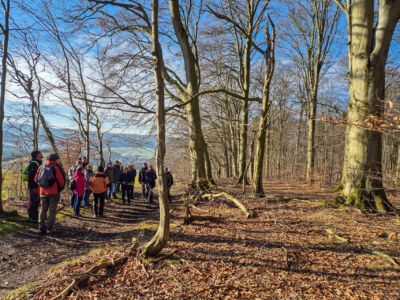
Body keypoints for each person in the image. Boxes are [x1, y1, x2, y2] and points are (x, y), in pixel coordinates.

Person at [34, 153, 65, 234]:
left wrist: (42, 187)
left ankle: (41, 227)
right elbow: (61, 181)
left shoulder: (41, 167)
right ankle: (49, 228)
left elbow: (36, 179)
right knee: (52, 210)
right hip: (54, 192)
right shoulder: (56, 167)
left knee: (43, 209)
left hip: (42, 192)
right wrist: (59, 189)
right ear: (56, 160)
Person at [27, 151, 43, 222]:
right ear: (37, 155)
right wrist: (36, 184)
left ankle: (35, 217)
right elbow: (32, 177)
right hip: (34, 186)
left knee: (37, 201)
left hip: (38, 186)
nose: (41, 154)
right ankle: (31, 217)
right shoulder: (33, 164)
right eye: (40, 153)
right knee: (33, 201)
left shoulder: (38, 163)